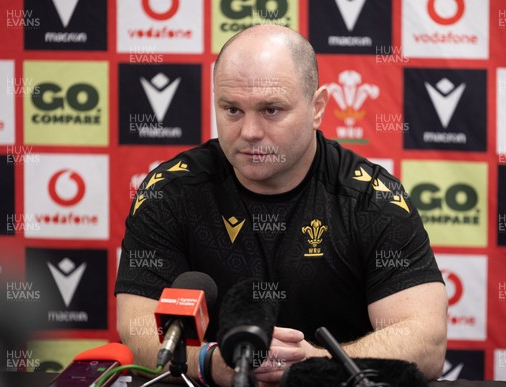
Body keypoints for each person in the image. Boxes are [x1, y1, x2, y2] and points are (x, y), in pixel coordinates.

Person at [115, 24, 448, 386]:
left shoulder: (372, 199)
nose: (249, 131)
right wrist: (212, 362)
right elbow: (137, 335)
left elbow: (426, 343)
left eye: (271, 110)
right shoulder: (171, 192)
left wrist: (307, 362)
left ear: (317, 107)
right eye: (231, 110)